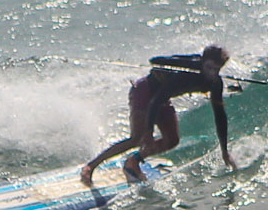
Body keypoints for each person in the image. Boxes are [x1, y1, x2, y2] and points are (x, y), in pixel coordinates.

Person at [80, 44, 238, 185]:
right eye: (209, 67)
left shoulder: (215, 83)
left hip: (161, 99)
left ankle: (133, 161)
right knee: (138, 138)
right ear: (202, 62)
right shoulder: (184, 74)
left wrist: (224, 150)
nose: (212, 73)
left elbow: (220, 116)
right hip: (145, 92)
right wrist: (148, 131)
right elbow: (154, 90)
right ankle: (91, 166)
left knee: (172, 140)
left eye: (217, 69)